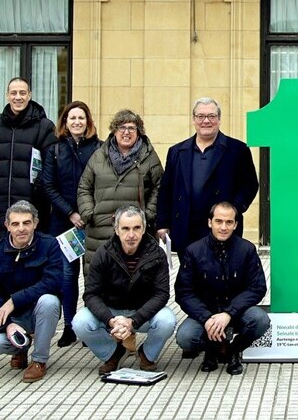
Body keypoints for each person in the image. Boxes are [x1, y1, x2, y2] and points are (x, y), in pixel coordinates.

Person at [73, 205, 176, 375]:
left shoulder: (157, 254)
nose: (131, 235)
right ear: (117, 230)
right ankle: (113, 353)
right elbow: (91, 294)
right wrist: (110, 320)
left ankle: (147, 355)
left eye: (137, 228)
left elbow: (162, 294)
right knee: (80, 322)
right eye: (125, 228)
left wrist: (134, 320)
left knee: (167, 320)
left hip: (143, 312)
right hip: (111, 311)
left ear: (143, 229)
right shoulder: (102, 253)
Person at [175, 202, 270, 375]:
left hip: (237, 312)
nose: (223, 227)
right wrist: (206, 318)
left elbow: (257, 287)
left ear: (235, 224)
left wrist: (228, 313)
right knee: (185, 337)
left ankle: (233, 350)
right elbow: (183, 293)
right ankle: (213, 348)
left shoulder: (247, 249)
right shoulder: (193, 251)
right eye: (219, 221)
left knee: (261, 320)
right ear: (210, 222)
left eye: (228, 222)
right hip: (205, 314)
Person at [157, 98, 259, 251]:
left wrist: (233, 210)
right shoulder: (176, 152)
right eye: (201, 116)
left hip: (222, 228)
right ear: (193, 119)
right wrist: (163, 223)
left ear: (219, 119)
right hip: (186, 229)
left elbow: (250, 185)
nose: (206, 121)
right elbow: (165, 189)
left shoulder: (238, 150)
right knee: (189, 274)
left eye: (211, 116)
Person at [39, 101, 102, 347]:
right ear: (65, 122)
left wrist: (86, 213)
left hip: (92, 222)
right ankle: (69, 326)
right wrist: (70, 214)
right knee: (67, 275)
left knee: (93, 275)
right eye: (72, 118)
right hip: (63, 224)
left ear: (88, 122)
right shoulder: (54, 150)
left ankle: (90, 325)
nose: (77, 122)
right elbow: (48, 186)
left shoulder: (99, 148)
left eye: (81, 118)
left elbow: (102, 183)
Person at [77, 109, 164, 272]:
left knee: (134, 279)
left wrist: (147, 215)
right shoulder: (98, 155)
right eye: (121, 127)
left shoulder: (149, 157)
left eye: (132, 128)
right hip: (100, 229)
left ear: (139, 132)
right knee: (98, 278)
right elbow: (84, 187)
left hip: (135, 231)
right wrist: (88, 212)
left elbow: (160, 187)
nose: (126, 132)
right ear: (114, 130)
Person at [0, 201, 62, 383]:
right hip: (11, 317)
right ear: (7, 226)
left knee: (50, 301)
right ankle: (20, 348)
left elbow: (52, 282)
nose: (21, 229)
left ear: (35, 223)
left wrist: (14, 300)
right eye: (15, 224)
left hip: (39, 314)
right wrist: (8, 325)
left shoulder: (49, 245)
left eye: (26, 223)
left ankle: (39, 361)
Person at [0, 77, 57, 230]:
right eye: (13, 93)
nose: (18, 97)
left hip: (31, 210)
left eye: (22, 93)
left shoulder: (44, 127)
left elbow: (51, 168)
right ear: (7, 96)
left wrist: (38, 190)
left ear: (29, 95)